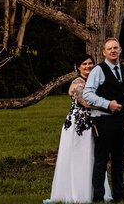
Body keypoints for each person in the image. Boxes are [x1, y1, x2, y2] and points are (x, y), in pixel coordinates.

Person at [46, 53, 110, 203]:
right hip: (78, 124)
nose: (88, 66)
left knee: (93, 156)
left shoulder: (95, 81)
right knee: (78, 156)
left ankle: (95, 192)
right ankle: (77, 193)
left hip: (94, 122)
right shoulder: (77, 83)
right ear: (78, 67)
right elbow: (86, 102)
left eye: (90, 63)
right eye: (84, 64)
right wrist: (109, 106)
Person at [83, 37, 124, 203]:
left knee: (119, 161)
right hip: (103, 121)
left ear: (120, 49)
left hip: (123, 122)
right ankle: (98, 197)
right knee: (101, 160)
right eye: (109, 49)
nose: (113, 51)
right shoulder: (98, 70)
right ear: (104, 52)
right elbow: (87, 94)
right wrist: (108, 104)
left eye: (115, 48)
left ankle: (119, 196)